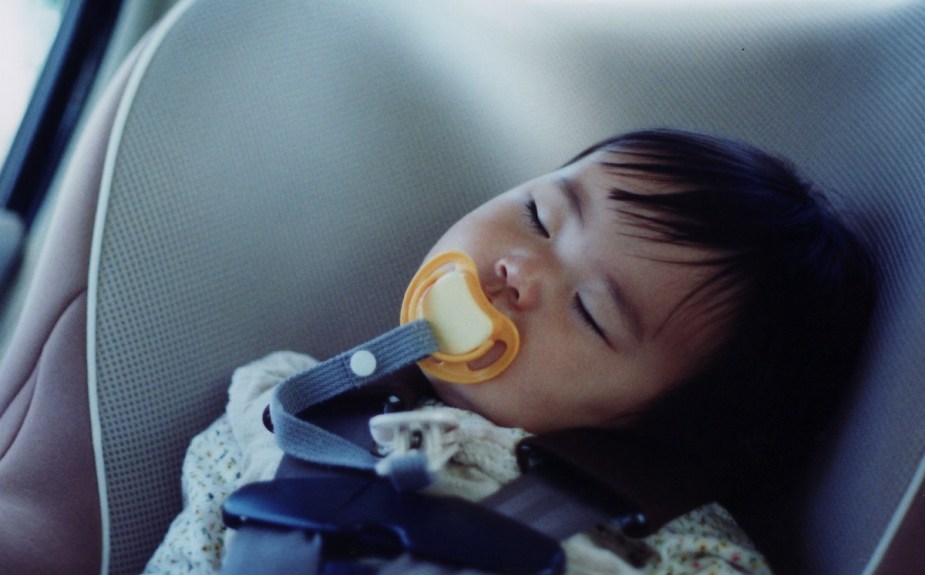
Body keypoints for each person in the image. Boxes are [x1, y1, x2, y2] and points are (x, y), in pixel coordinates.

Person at [144, 128, 874, 574]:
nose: (520, 272)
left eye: (589, 310)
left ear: (656, 426)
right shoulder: (291, 408)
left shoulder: (680, 543)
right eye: (538, 215)